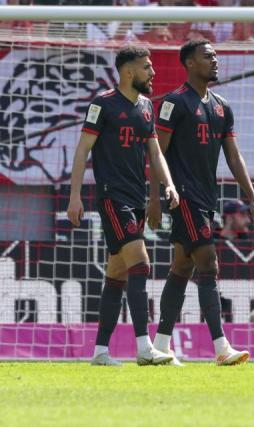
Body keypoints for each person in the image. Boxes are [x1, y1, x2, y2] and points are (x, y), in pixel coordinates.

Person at [149, 39, 254, 366]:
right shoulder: (174, 102)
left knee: (182, 267)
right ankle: (221, 347)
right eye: (207, 56)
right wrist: (155, 199)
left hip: (206, 196)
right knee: (209, 264)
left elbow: (233, 155)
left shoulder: (221, 106)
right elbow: (156, 153)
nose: (215, 61)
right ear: (189, 63)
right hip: (182, 195)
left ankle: (160, 345)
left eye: (215, 56)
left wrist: (252, 197)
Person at [67, 45, 179, 366]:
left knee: (116, 275)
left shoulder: (145, 107)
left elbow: (155, 153)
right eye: (147, 67)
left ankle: (101, 351)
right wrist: (74, 196)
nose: (153, 72)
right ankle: (144, 347)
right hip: (112, 197)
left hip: (136, 198)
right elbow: (82, 150)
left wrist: (168, 184)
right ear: (129, 72)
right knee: (140, 264)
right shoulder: (102, 104)